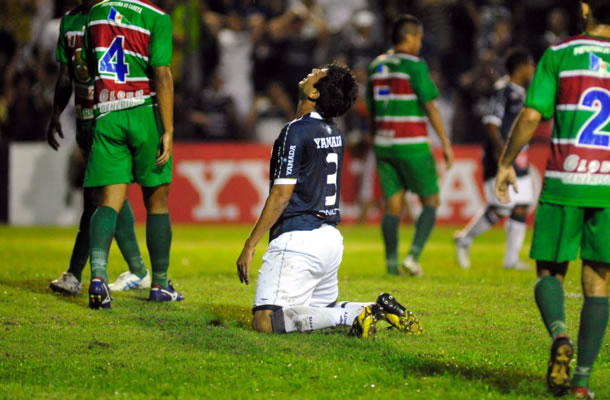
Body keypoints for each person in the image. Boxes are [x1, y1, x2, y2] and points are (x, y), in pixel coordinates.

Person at [236, 64, 422, 337]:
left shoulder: (295, 131)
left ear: (314, 93)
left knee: (265, 321)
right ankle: (376, 308)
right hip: (329, 241)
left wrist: (250, 244)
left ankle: (353, 315)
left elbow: (281, 196)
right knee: (317, 311)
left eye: (317, 74)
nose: (312, 71)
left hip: (298, 240)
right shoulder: (334, 132)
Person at [495, 1, 610, 398]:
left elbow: (531, 116)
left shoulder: (560, 54)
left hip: (566, 180)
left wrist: (506, 162)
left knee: (549, 272)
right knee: (599, 280)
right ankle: (581, 382)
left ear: (585, 8)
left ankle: (560, 334)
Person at [83, 0, 183, 308]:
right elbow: (162, 74)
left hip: (108, 113)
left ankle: (98, 278)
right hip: (144, 113)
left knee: (109, 202)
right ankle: (160, 283)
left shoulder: (96, 12)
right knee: (157, 202)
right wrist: (168, 130)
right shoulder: (157, 18)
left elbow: (88, 65)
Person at [47, 0, 151, 295]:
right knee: (110, 195)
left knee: (95, 196)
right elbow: (66, 75)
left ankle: (74, 274)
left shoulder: (117, 16)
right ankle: (138, 270)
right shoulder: (69, 21)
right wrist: (56, 113)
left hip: (109, 118)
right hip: (84, 121)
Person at [366, 14, 453, 276]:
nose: (420, 43)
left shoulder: (376, 65)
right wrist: (445, 143)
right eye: (419, 38)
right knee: (431, 200)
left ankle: (392, 264)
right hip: (412, 143)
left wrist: (375, 139)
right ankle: (413, 257)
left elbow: (371, 110)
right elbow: (430, 106)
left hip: (384, 144)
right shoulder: (414, 65)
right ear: (409, 37)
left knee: (393, 204)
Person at [454, 48, 535, 270]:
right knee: (501, 208)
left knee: (521, 206)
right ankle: (465, 239)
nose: (533, 69)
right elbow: (491, 121)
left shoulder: (523, 92)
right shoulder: (503, 90)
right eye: (530, 65)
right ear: (521, 68)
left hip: (520, 156)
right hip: (500, 157)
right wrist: (500, 150)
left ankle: (511, 260)